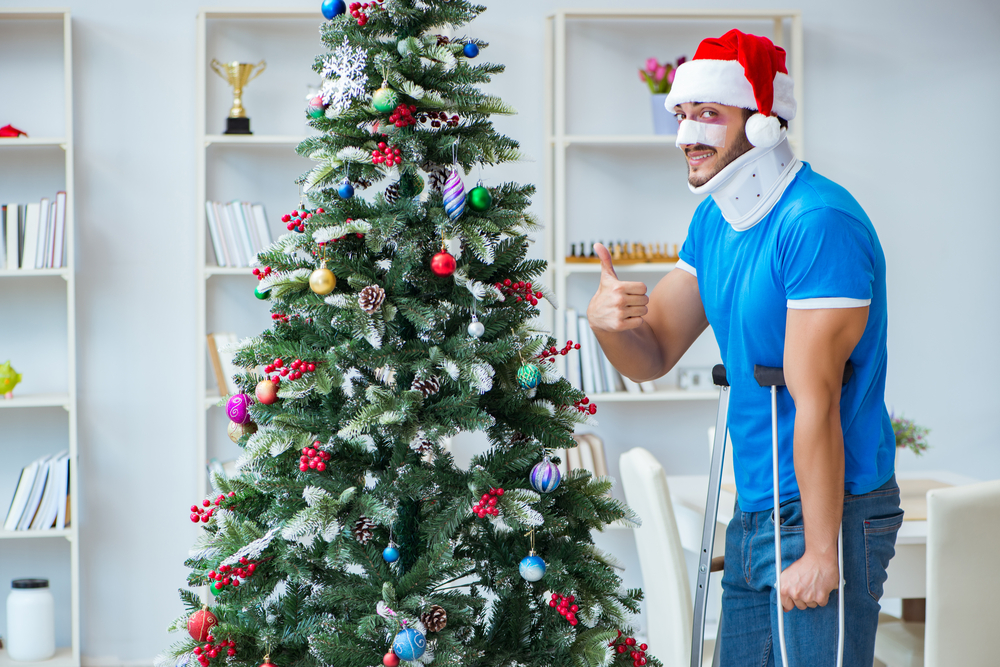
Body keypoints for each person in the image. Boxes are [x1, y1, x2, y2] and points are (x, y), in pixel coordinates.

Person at [587, 30, 901, 665]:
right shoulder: (716, 220)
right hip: (756, 502)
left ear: (762, 122)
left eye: (708, 114)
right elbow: (652, 356)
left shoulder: (816, 223)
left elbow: (815, 399)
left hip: (830, 505)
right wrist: (608, 325)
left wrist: (820, 552)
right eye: (682, 114)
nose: (686, 136)